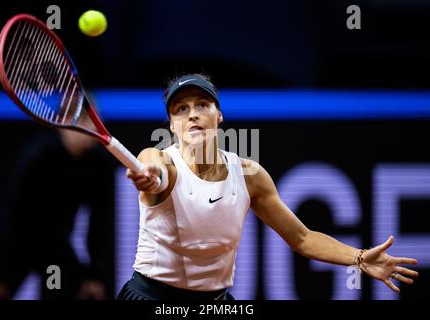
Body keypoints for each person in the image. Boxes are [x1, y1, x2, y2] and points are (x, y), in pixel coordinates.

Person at [117, 73, 419, 300]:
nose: (192, 113)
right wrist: (150, 176)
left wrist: (359, 257)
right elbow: (151, 163)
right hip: (150, 297)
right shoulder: (161, 161)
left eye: (202, 104)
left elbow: (302, 237)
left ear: (218, 116)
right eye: (181, 109)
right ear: (171, 125)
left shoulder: (249, 175)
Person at [0, 122, 116, 300]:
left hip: (56, 251)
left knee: (62, 290)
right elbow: (11, 215)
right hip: (19, 245)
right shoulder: (38, 155)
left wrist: (95, 276)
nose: (90, 129)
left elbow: (99, 226)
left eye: (94, 122)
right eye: (83, 121)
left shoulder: (100, 165)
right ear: (63, 125)